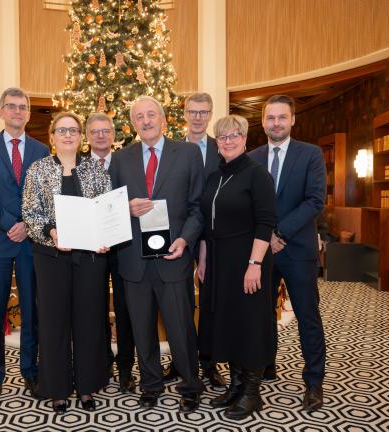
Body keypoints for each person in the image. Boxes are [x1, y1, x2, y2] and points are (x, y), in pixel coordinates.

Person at [109, 96, 205, 413]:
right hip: (133, 261)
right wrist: (125, 208)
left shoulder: (188, 154)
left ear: (163, 119)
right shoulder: (121, 159)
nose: (146, 121)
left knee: (180, 328)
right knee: (142, 329)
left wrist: (186, 240)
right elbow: (109, 208)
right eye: (140, 116)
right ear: (133, 123)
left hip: (173, 258)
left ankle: (191, 384)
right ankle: (150, 383)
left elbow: (197, 208)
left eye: (152, 114)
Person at [22, 111, 111, 414]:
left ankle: (87, 386)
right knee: (54, 323)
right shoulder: (38, 169)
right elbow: (30, 212)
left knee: (88, 322)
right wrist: (51, 232)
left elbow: (106, 209)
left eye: (73, 130)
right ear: (52, 136)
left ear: (81, 136)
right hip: (51, 258)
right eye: (62, 130)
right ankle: (58, 389)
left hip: (89, 259)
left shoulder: (95, 170)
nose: (68, 135)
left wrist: (106, 234)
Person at [0, 87, 49, 409]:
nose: (18, 112)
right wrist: (9, 224)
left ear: (29, 113)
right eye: (12, 107)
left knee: (32, 311)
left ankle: (30, 371)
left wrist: (27, 226)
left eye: (23, 107)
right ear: (1, 112)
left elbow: (45, 196)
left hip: (31, 244)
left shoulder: (41, 150)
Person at [249, 94, 326, 412]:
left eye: (282, 117)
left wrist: (279, 233)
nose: (276, 123)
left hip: (298, 250)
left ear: (293, 120)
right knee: (261, 313)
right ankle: (267, 364)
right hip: (263, 251)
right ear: (263, 121)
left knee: (307, 316)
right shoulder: (251, 157)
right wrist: (267, 236)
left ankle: (313, 382)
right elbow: (248, 203)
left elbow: (314, 200)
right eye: (270, 118)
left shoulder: (311, 154)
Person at [197, 114, 276, 420]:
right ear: (218, 143)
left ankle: (252, 394)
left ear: (244, 139)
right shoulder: (216, 176)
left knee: (250, 323)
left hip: (247, 258)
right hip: (218, 261)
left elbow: (266, 222)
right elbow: (207, 222)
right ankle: (236, 385)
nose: (228, 141)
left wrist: (255, 263)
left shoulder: (257, 174)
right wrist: (203, 259)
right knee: (227, 322)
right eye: (223, 137)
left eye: (234, 136)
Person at [162, 92, 225, 388]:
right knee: (180, 303)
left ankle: (209, 363)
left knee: (211, 303)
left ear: (210, 114)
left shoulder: (221, 148)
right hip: (178, 237)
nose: (198, 117)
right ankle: (179, 360)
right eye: (192, 111)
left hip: (214, 238)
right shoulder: (170, 149)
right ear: (184, 114)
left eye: (204, 111)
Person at [84, 112, 136, 394]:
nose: (101, 136)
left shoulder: (127, 163)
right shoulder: (78, 167)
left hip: (124, 248)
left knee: (126, 309)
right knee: (96, 308)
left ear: (114, 135)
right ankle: (102, 363)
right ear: (87, 136)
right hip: (91, 250)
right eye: (95, 131)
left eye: (106, 131)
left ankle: (127, 367)